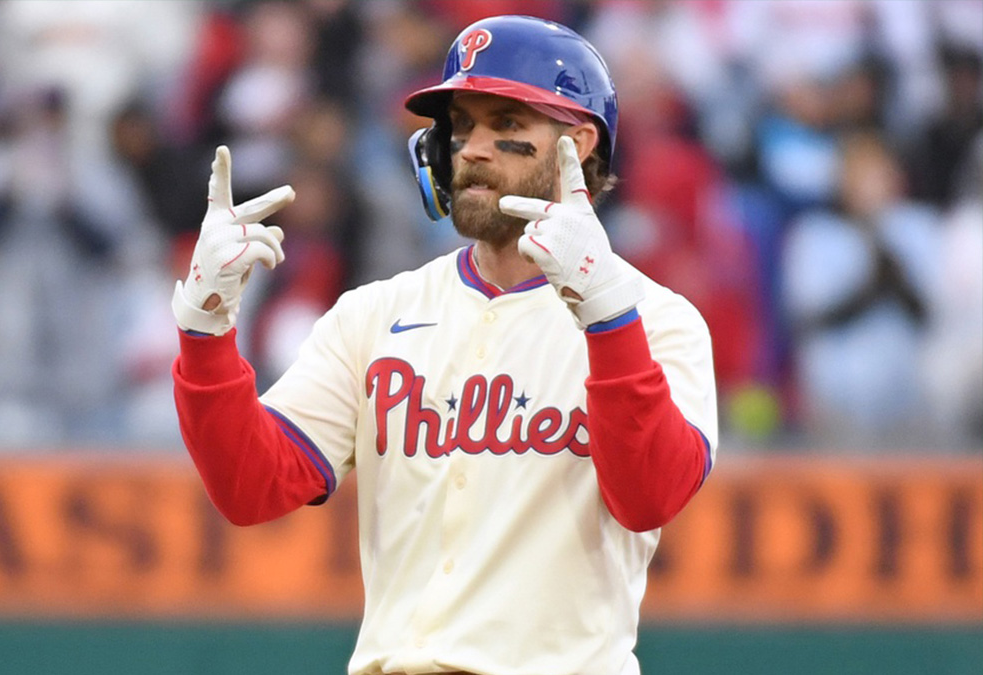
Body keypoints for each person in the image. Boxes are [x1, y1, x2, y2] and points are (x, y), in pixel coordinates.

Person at [171, 15, 717, 675]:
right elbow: (250, 486)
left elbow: (650, 495)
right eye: (462, 125)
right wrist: (206, 332)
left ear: (578, 143)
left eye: (507, 125)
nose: (474, 148)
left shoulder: (656, 320)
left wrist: (607, 321)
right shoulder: (376, 312)